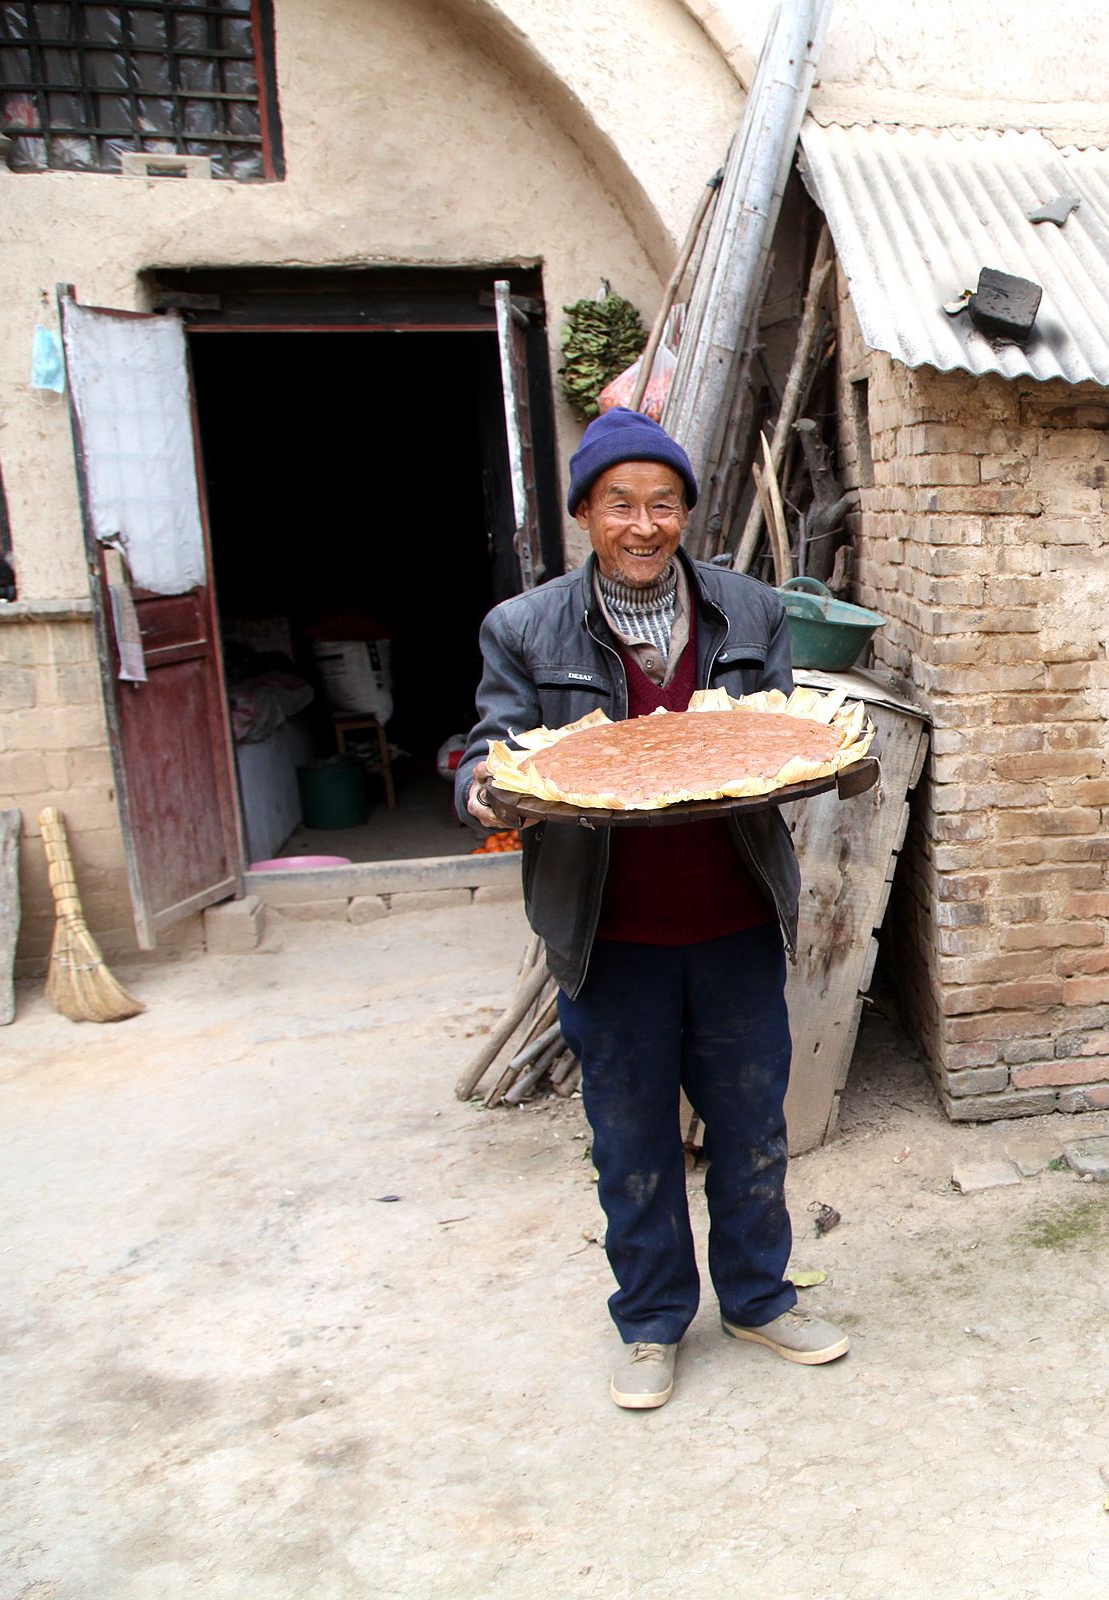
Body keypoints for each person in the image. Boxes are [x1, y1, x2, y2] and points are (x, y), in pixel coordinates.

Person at [457, 407, 848, 1407]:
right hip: (610, 932)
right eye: (620, 503)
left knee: (753, 1127)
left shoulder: (748, 611)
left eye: (663, 503)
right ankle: (650, 1321)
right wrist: (482, 788)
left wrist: (829, 759)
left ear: (686, 513)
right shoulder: (525, 626)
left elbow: (775, 727)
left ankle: (761, 1298)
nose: (644, 524)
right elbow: (493, 745)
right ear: (586, 511)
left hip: (734, 918)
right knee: (629, 1137)